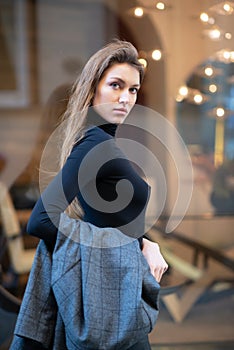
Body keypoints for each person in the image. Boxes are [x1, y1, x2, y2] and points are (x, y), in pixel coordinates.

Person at [25, 40, 168, 349]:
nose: (126, 98)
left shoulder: (100, 141)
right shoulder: (96, 144)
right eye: (116, 85)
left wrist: (145, 242)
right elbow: (40, 221)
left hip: (115, 285)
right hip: (108, 290)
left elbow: (111, 220)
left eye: (133, 90)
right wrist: (135, 247)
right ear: (93, 90)